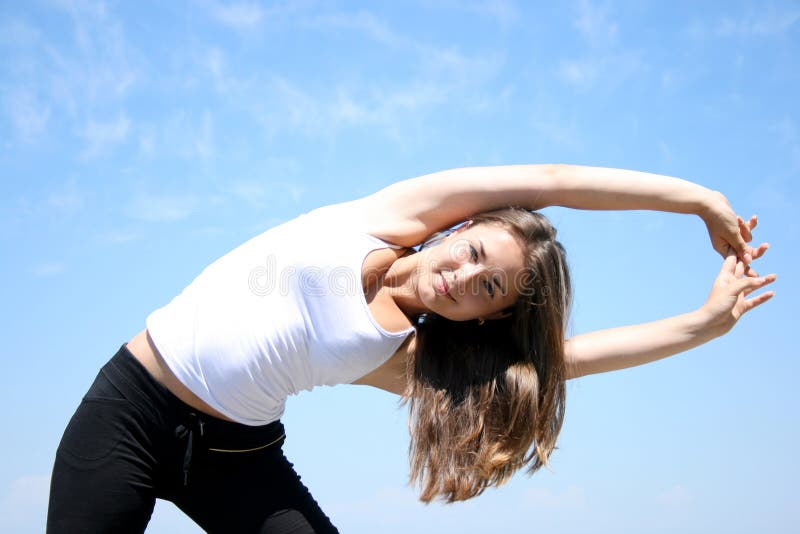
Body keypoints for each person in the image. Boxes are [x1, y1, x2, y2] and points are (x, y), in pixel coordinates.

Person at [46, 164, 775, 533]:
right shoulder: (391, 214)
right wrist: (697, 198)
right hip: (128, 413)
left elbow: (563, 359)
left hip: (237, 458)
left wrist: (701, 325)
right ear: (457, 228)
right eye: (473, 254)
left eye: (487, 289)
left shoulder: (406, 358)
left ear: (486, 316)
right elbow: (556, 182)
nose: (461, 277)